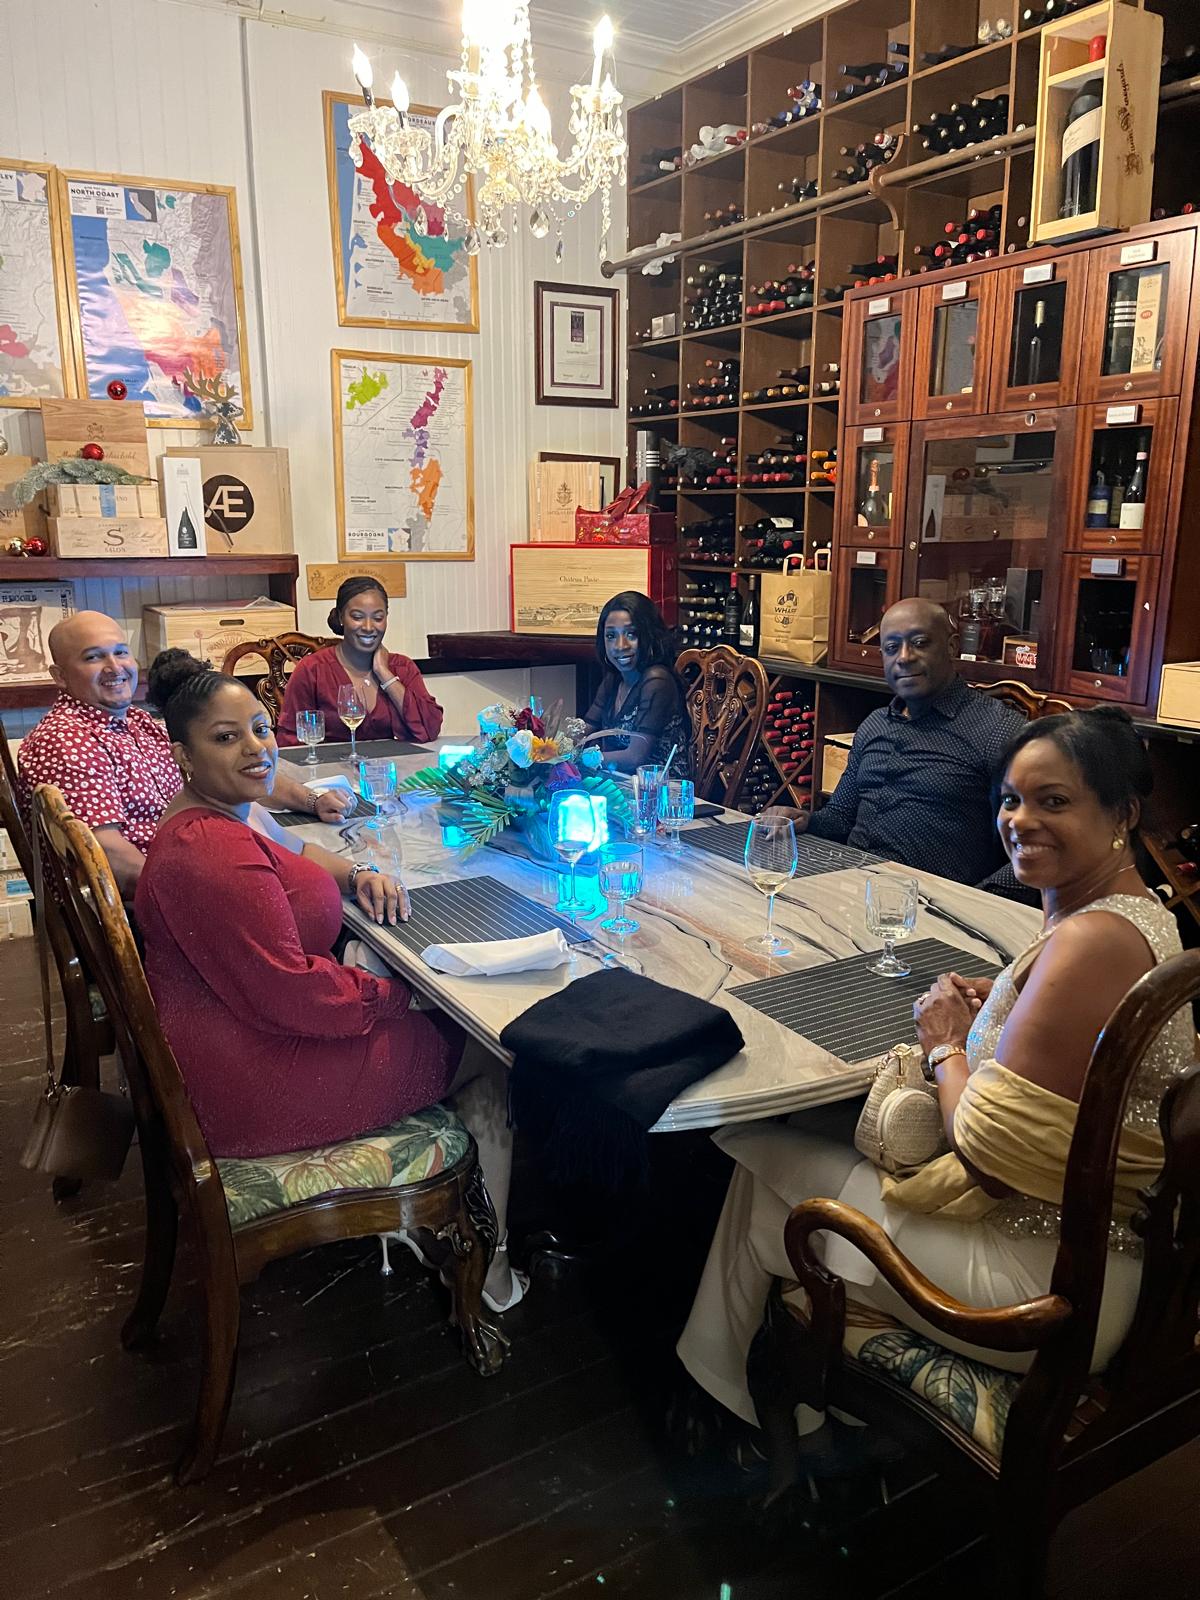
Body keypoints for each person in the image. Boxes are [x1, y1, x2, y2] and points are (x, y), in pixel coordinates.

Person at [679, 706, 1194, 1426]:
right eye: (1010, 800)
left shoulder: (1092, 942)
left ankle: (747, 1402)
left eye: (1054, 801)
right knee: (791, 1158)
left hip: (1044, 1292)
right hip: (1112, 1260)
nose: (1020, 820)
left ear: (1124, 813)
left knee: (753, 1156)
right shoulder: (1143, 916)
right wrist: (1008, 1001)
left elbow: (986, 1150)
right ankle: (781, 1402)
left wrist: (946, 1042)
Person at [134, 653, 523, 1310]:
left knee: (412, 998)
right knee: (488, 1047)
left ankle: (435, 1221)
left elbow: (294, 860)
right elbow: (296, 996)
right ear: (183, 754)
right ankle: (489, 1264)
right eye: (226, 737)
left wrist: (359, 875)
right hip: (256, 1082)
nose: (256, 748)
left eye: (260, 729)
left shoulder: (215, 818)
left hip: (231, 1045)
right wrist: (405, 997)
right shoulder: (211, 852)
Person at [16, 612, 352, 896]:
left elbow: (231, 768)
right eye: (93, 657)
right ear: (60, 676)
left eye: (120, 652)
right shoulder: (66, 740)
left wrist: (312, 800)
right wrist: (194, 902)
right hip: (156, 909)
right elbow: (106, 855)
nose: (114, 667)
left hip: (200, 867)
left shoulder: (134, 720)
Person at [277, 575, 444, 746]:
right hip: (331, 763)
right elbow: (291, 743)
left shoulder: (402, 667)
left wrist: (384, 673)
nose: (368, 627)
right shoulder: (312, 670)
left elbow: (430, 728)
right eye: (357, 617)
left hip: (393, 763)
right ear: (341, 617)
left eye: (378, 618)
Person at [583, 591, 692, 776]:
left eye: (631, 634)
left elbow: (635, 757)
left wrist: (581, 758)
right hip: (625, 781)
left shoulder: (657, 680)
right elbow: (585, 728)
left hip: (662, 787)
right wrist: (550, 749)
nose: (620, 645)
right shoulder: (614, 679)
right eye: (611, 636)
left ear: (649, 635)